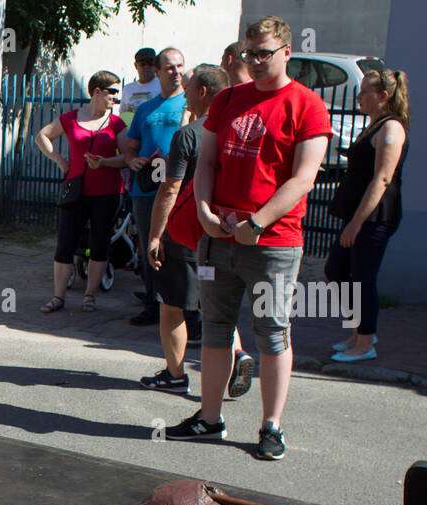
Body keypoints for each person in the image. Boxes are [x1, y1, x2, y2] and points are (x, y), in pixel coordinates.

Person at [165, 16, 330, 461]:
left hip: (273, 243)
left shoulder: (307, 105)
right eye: (248, 54)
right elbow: (207, 163)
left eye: (264, 54)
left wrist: (256, 223)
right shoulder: (228, 99)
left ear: (287, 53)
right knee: (216, 328)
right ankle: (209, 418)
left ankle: (271, 426)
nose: (255, 62)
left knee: (271, 332)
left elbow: (303, 179)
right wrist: (203, 210)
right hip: (218, 237)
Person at [141, 64, 255, 398]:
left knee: (172, 305)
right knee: (214, 306)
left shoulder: (189, 135)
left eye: (189, 88)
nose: (184, 94)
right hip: (222, 233)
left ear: (203, 92)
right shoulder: (237, 130)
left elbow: (170, 188)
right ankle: (238, 353)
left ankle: (175, 374)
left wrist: (155, 235)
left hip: (185, 234)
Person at [326, 68, 409, 363]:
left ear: (383, 96)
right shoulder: (373, 126)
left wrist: (357, 223)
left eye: (364, 92)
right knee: (336, 271)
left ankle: (364, 345)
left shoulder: (391, 129)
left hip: (375, 218)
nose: (358, 97)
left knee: (363, 279)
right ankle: (358, 333)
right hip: (357, 215)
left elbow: (382, 180)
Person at [33, 70, 126, 314]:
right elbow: (42, 136)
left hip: (107, 192)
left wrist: (105, 162)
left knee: (99, 243)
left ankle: (89, 296)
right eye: (112, 92)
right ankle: (58, 296)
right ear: (97, 91)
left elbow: (128, 157)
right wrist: (61, 161)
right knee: (65, 243)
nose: (116, 98)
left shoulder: (116, 123)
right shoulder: (72, 118)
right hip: (76, 190)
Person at [119, 47, 186, 326]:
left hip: (180, 189)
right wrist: (131, 160)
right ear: (158, 72)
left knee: (180, 248)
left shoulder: (190, 103)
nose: (176, 72)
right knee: (149, 246)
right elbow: (129, 145)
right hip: (146, 189)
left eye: (180, 66)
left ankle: (184, 307)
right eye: (169, 67)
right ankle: (152, 303)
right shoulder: (145, 108)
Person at [120, 47, 160, 121]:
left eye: (150, 63)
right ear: (136, 66)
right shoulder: (128, 89)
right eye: (142, 64)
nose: (146, 67)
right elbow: (123, 113)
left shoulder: (162, 85)